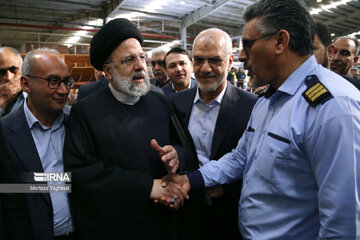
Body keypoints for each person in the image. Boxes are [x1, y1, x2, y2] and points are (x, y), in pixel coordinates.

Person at [163, 0, 360, 239]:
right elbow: (240, 157)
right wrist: (191, 179)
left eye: (248, 44)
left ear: (280, 41)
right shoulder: (268, 100)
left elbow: (343, 220)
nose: (243, 56)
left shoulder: (333, 107)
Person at [63, 18, 203, 240]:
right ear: (108, 71)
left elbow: (186, 148)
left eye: (141, 57)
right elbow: (82, 174)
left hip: (165, 223)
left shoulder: (161, 102)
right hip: (119, 227)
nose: (140, 66)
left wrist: (177, 156)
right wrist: (147, 187)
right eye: (129, 60)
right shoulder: (86, 112)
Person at [170, 28, 257, 240]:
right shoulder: (175, 103)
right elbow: (177, 148)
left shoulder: (252, 106)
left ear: (229, 62)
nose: (205, 68)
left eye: (215, 60)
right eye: (199, 60)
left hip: (230, 216)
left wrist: (227, 190)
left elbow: (255, 164)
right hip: (186, 212)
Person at [0, 48, 74, 240]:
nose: (64, 90)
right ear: (26, 83)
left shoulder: (77, 121)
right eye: (53, 81)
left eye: (66, 82)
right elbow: (8, 190)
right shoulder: (5, 131)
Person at [0, 47, 25, 117]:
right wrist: (2, 100)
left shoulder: (35, 96)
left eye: (13, 69)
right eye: (2, 72)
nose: (9, 77)